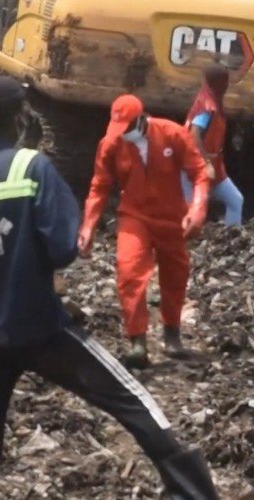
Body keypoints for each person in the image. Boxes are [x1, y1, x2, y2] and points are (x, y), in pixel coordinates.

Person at [0, 76, 219, 500]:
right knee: (128, 397)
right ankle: (194, 491)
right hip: (40, 327)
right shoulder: (32, 167)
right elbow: (62, 248)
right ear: (21, 118)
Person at [79, 95, 210, 368]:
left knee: (176, 273)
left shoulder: (172, 133)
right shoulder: (111, 144)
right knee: (129, 271)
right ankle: (137, 341)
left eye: (128, 127)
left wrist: (197, 210)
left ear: (141, 119)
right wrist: (88, 225)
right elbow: (100, 185)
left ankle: (172, 334)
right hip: (134, 215)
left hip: (171, 215)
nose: (124, 133)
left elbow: (199, 173)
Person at [183, 63, 244, 226]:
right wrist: (206, 161)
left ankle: (232, 238)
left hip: (215, 167)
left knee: (235, 200)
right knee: (191, 211)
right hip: (195, 167)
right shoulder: (207, 105)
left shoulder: (211, 99)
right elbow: (194, 134)